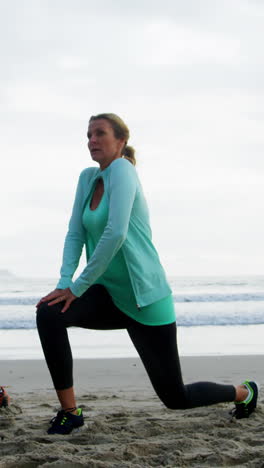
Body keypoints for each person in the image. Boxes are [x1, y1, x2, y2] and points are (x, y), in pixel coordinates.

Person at [36, 113, 258, 435]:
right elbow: (74, 234)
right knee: (49, 312)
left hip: (144, 299)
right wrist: (64, 285)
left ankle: (244, 392)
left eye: (100, 134)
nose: (92, 141)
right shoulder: (87, 178)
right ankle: (71, 412)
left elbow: (116, 234)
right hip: (108, 293)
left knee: (175, 397)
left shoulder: (123, 171)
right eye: (88, 135)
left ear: (121, 141)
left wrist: (79, 286)